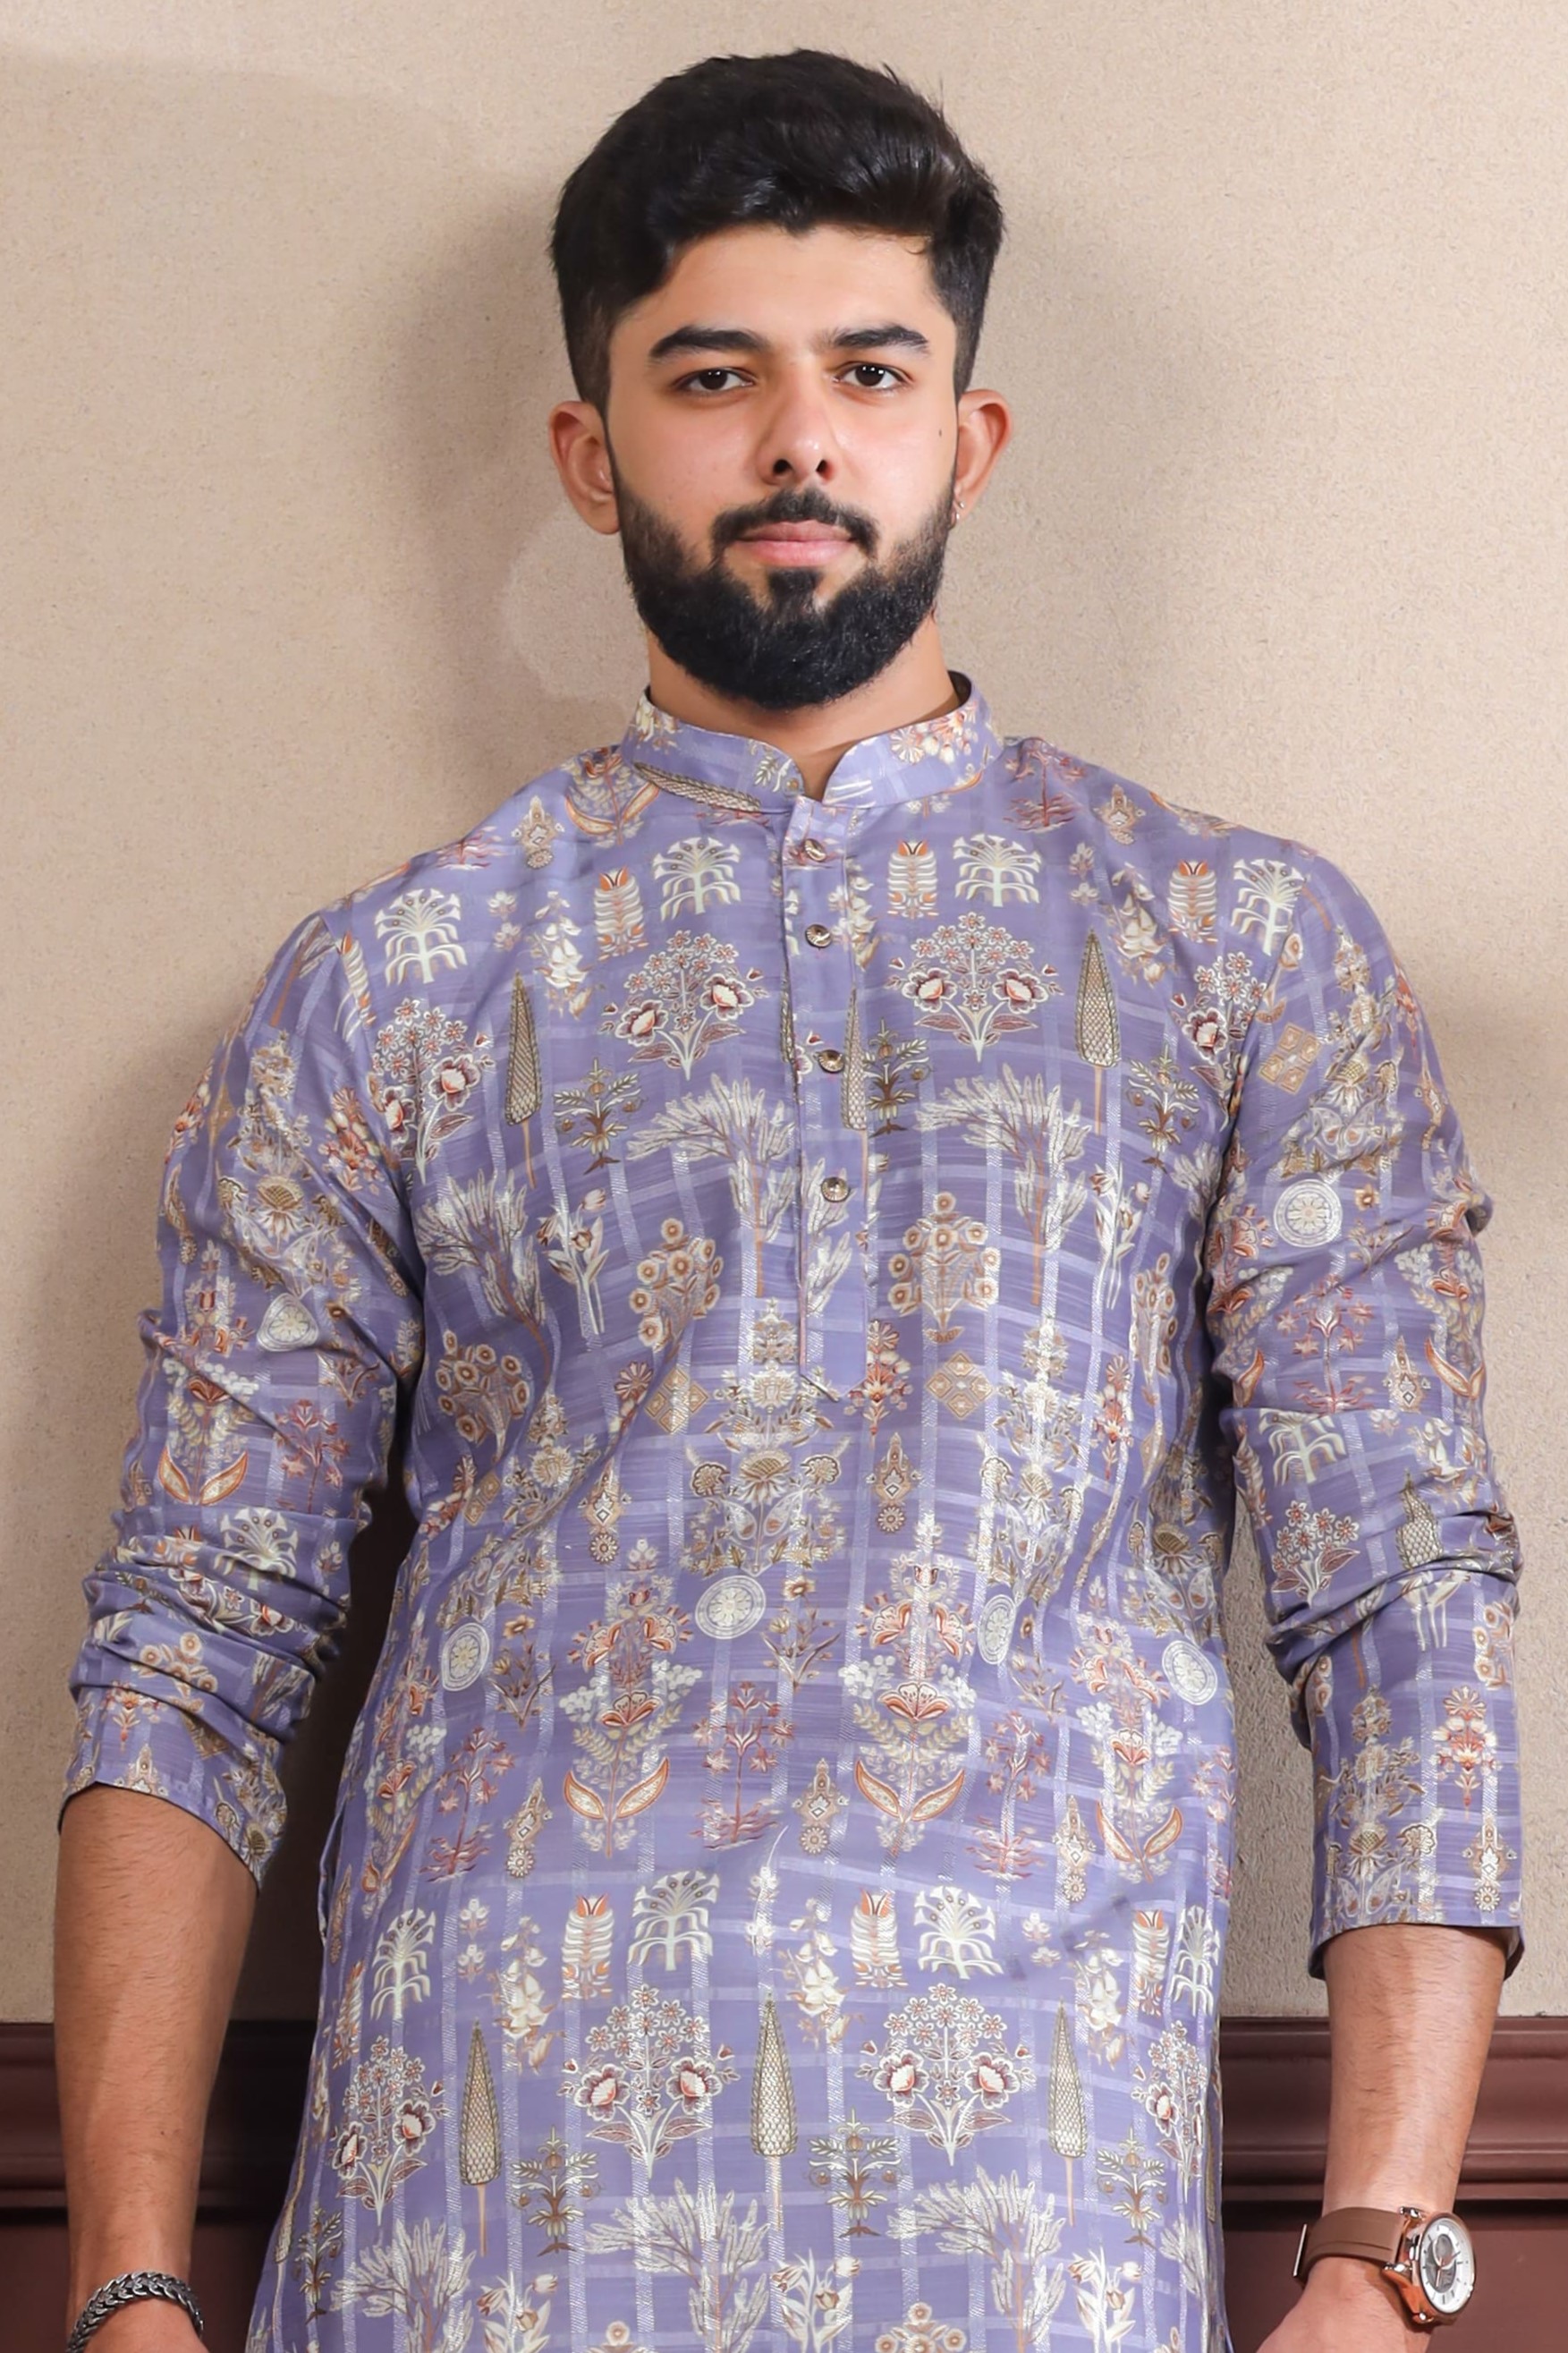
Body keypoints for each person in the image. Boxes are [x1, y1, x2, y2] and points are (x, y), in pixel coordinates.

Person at [54, 48, 1522, 2353]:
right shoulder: (398, 983)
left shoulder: (1233, 950)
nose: (800, 443)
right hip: (470, 2232)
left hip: (1027, 2237)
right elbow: (193, 1640)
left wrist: (1382, 2252)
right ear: (590, 450)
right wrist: (128, 2287)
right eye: (714, 375)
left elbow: (1403, 1592)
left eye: (871, 371)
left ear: (971, 434)